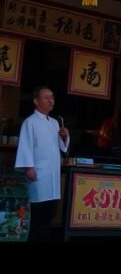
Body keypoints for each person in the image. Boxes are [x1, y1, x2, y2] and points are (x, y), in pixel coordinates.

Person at [15, 86, 70, 242]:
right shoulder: (30, 122)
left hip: (52, 174)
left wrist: (65, 136)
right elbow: (25, 146)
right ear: (36, 101)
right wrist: (29, 167)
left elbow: (61, 147)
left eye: (52, 97)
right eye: (46, 97)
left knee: (50, 212)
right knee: (37, 213)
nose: (50, 100)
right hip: (38, 173)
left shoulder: (54, 123)